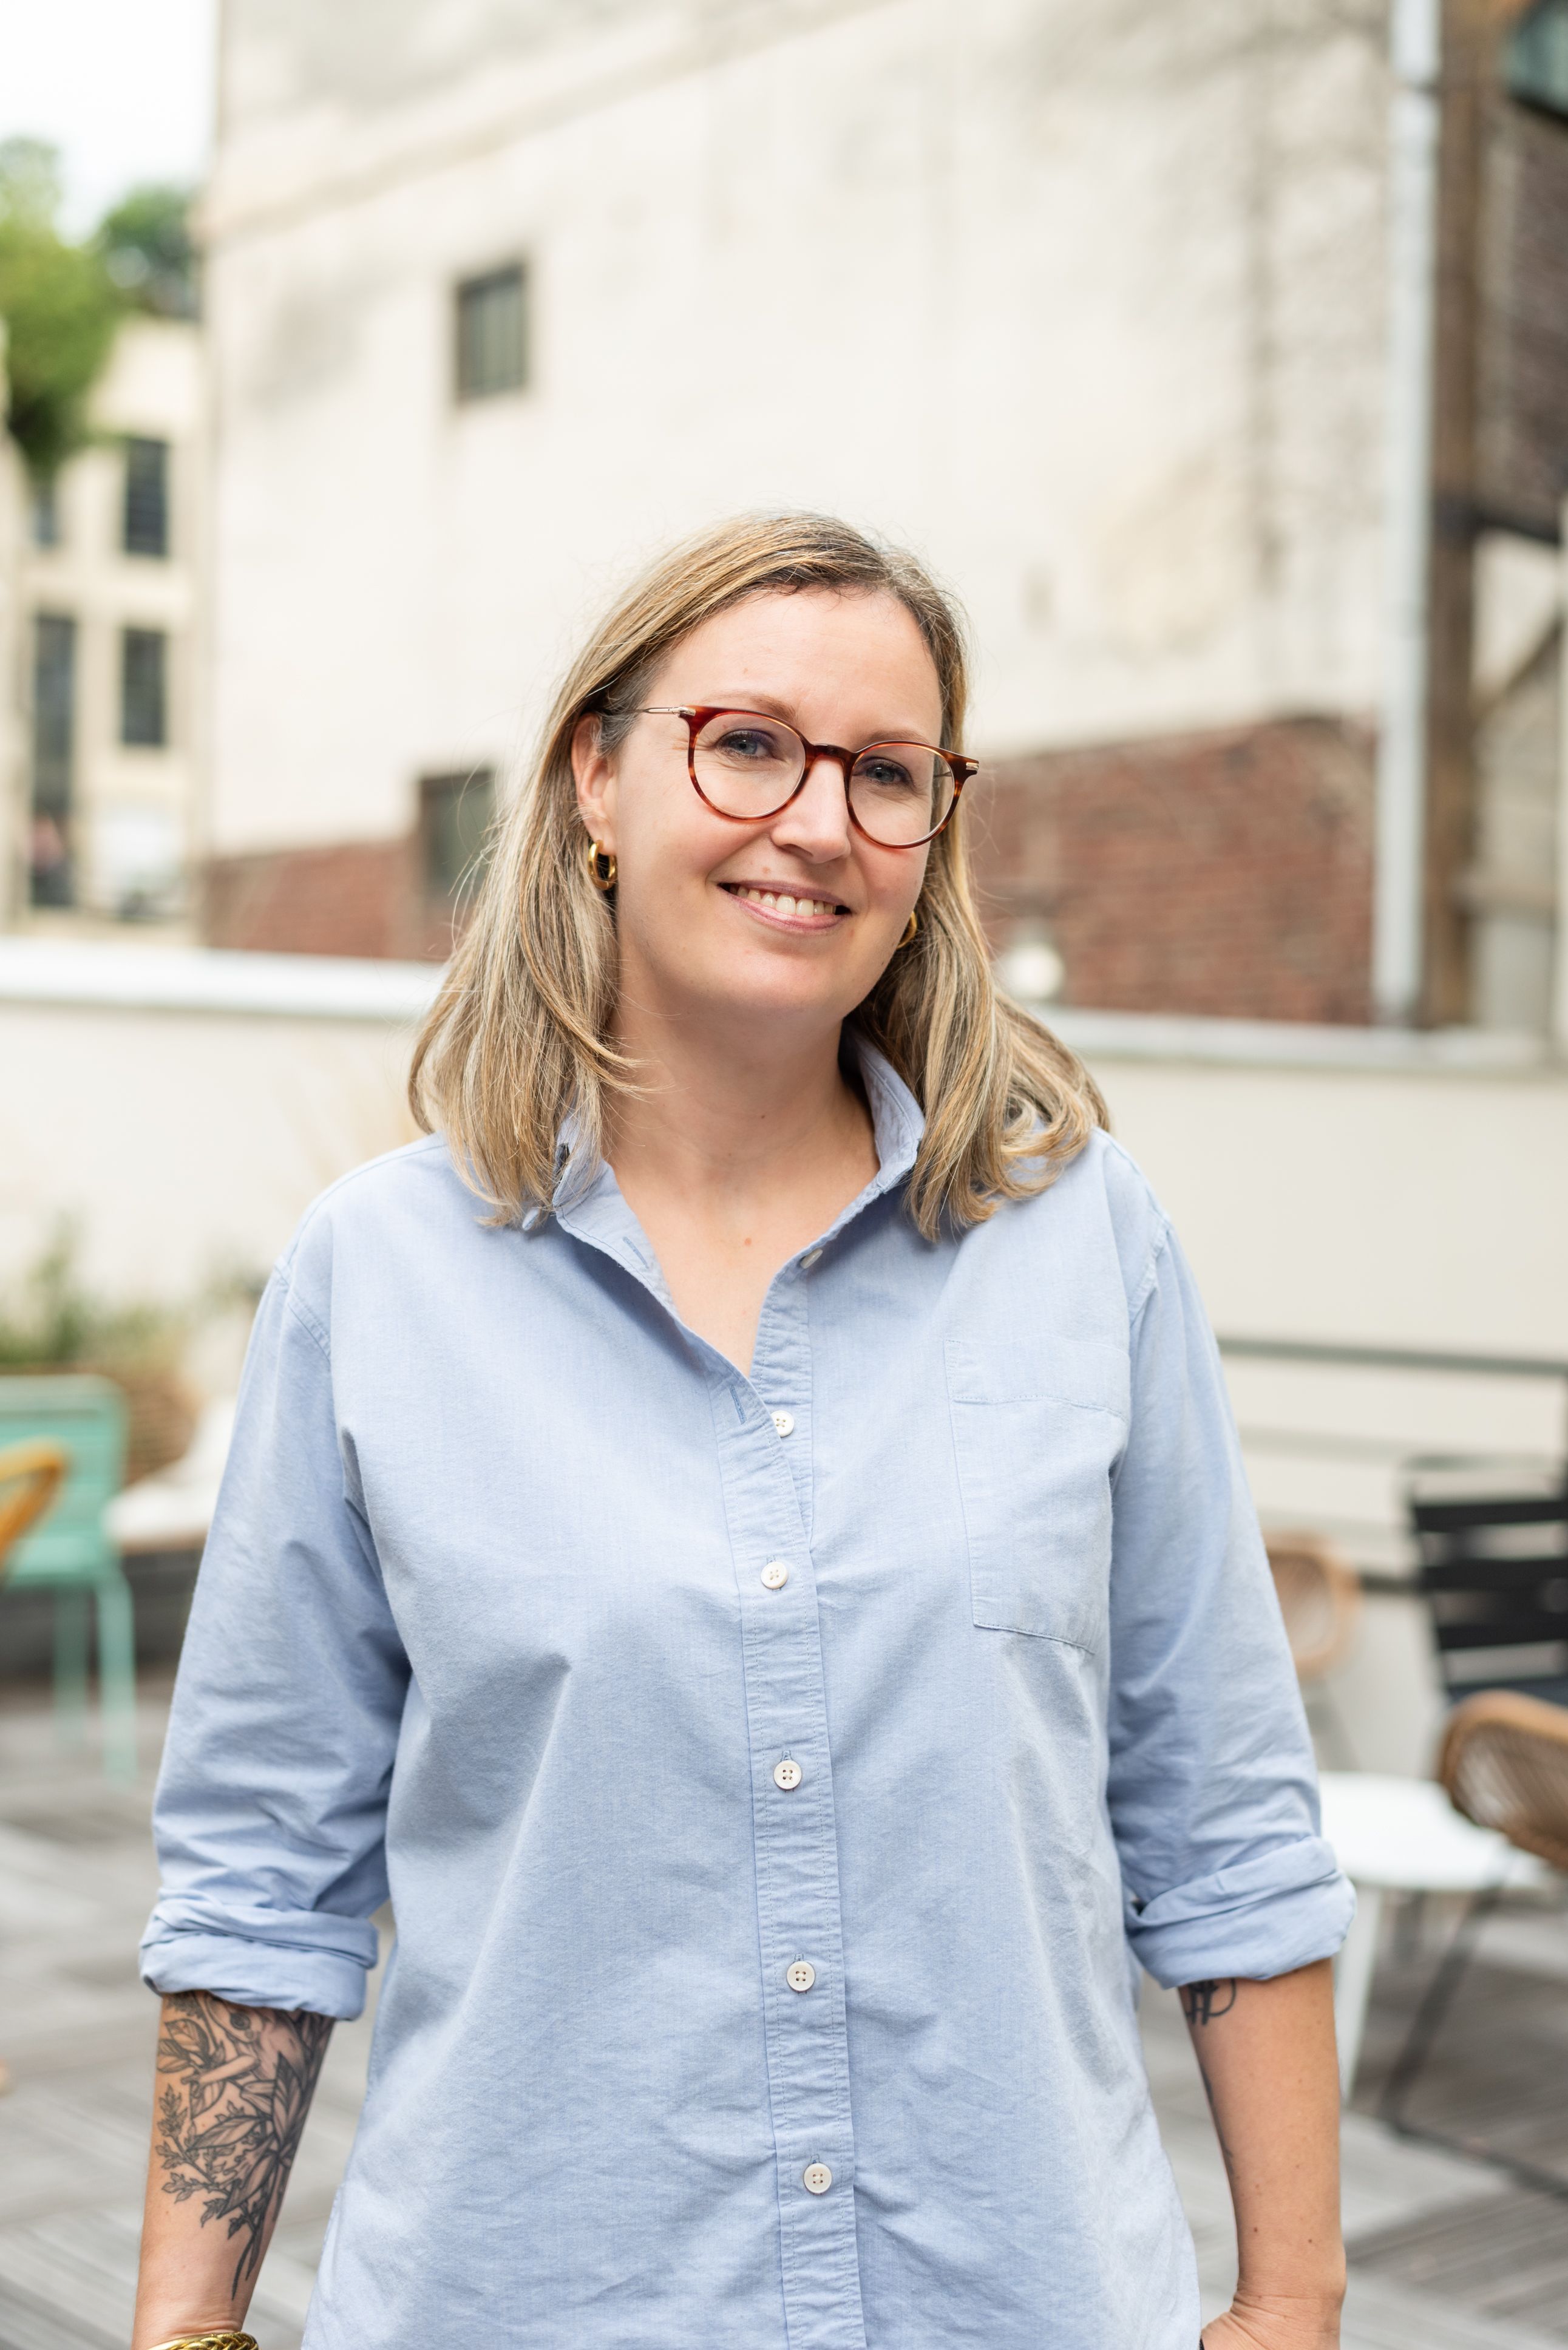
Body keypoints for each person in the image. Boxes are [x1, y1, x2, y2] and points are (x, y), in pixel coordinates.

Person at [133, 512, 1351, 2350]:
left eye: (888, 774)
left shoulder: (1086, 1242)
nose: (817, 823)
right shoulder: (377, 1278)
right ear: (597, 779)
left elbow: (1227, 1817)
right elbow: (256, 1876)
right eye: (750, 742)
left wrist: (1294, 2301)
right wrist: (183, 2328)